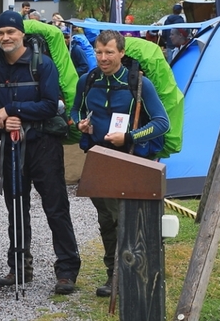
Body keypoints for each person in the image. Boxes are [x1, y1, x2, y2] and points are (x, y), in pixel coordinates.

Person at [0, 10, 81, 295]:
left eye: (11, 32)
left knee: (56, 208)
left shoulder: (42, 65)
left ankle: (67, 270)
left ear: (22, 34)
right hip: (11, 146)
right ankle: (19, 267)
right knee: (16, 209)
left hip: (44, 144)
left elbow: (50, 105)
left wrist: (11, 110)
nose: (6, 37)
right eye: (1, 33)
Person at [70, 30, 169, 297]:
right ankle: (113, 275)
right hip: (98, 161)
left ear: (121, 53)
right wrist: (81, 124)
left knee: (125, 220)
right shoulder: (88, 80)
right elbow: (75, 109)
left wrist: (129, 136)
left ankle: (131, 274)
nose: (103, 58)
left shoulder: (138, 84)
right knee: (107, 220)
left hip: (130, 161)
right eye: (99, 52)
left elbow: (162, 123)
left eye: (109, 52)